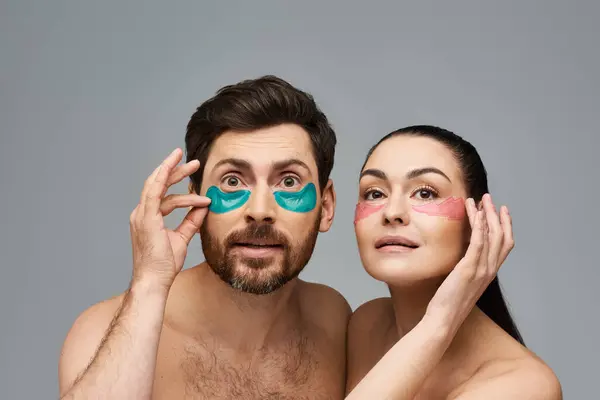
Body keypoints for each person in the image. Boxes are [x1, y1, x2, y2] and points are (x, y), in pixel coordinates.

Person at [58, 76, 352, 399]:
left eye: (290, 182)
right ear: (194, 200)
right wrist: (150, 284)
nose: (259, 210)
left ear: (325, 206)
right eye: (232, 181)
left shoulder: (338, 328)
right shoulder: (101, 333)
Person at [345, 126, 562, 399]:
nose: (392, 213)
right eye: (375, 193)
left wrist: (439, 323)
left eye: (425, 193)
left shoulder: (523, 386)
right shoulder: (367, 326)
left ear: (478, 221)